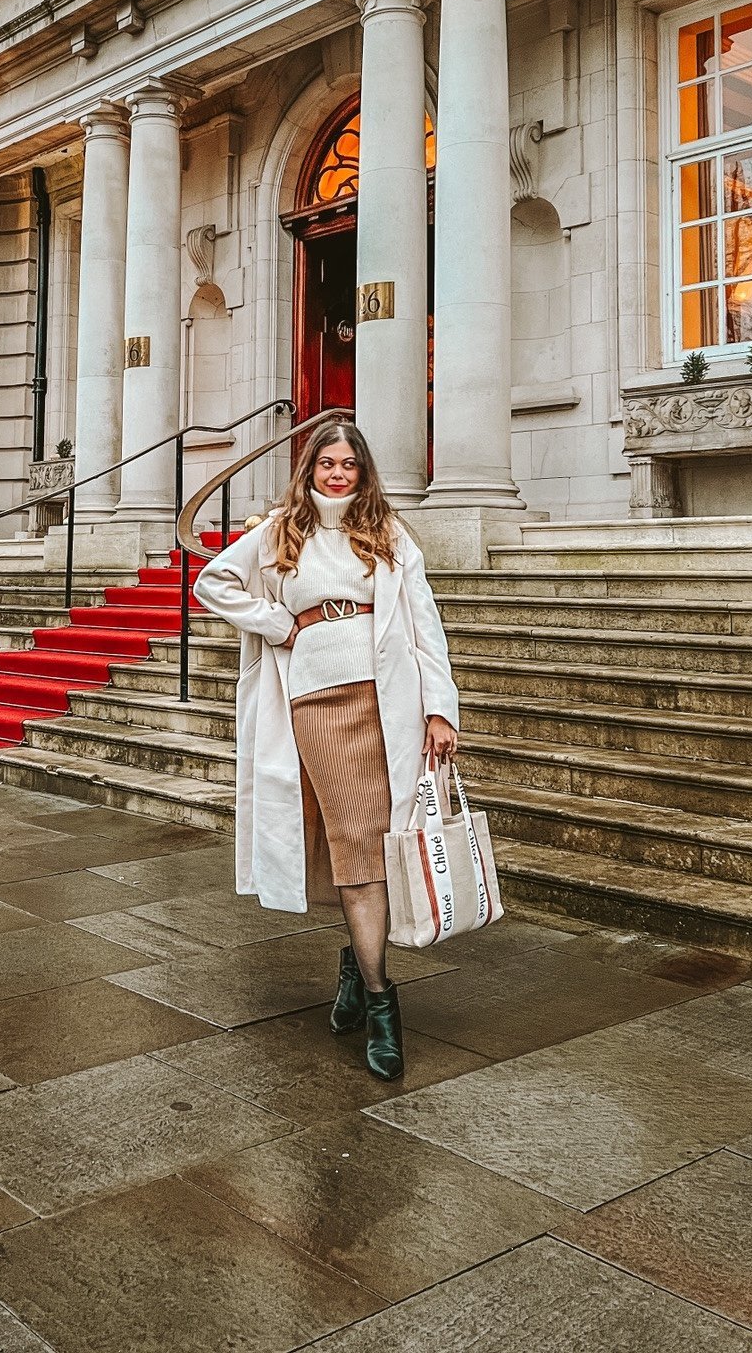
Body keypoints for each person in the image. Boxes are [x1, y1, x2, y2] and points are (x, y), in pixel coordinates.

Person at [194, 418, 459, 1080]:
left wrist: (439, 709)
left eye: (349, 464)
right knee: (359, 851)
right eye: (327, 463)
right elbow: (214, 582)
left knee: (373, 845)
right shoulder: (282, 529)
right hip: (315, 703)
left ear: (364, 472)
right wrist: (280, 623)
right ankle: (380, 998)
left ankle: (357, 964)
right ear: (309, 468)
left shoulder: (391, 534)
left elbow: (426, 627)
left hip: (386, 704)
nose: (337, 474)